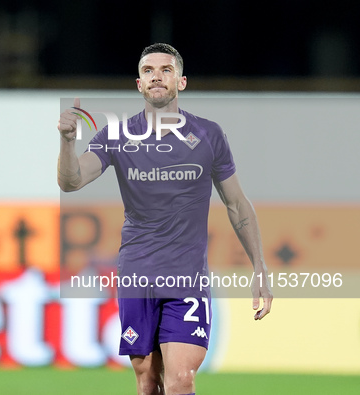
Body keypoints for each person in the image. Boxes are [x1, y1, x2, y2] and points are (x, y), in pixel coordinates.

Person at [57, 43, 273, 395]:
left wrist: (260, 267)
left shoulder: (209, 135)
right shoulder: (116, 136)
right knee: (147, 381)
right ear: (139, 84)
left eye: (166, 70)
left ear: (181, 82)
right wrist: (67, 144)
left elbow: (237, 204)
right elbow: (71, 181)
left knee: (181, 379)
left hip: (187, 280)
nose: (157, 76)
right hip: (136, 276)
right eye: (148, 71)